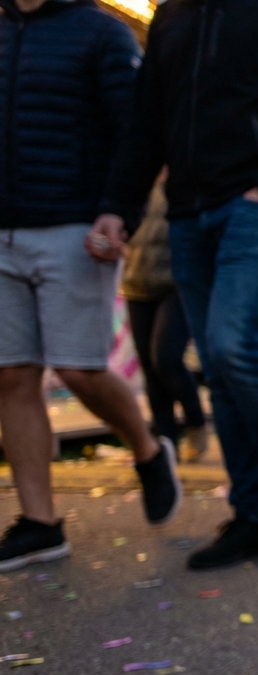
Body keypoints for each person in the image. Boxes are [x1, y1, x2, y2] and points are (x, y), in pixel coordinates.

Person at [92, 0, 258, 570]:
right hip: (189, 212)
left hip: (257, 206)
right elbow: (147, 123)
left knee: (233, 344)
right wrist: (119, 207)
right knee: (217, 361)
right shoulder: (172, 15)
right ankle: (251, 510)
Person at [0, 0, 181, 572]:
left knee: (79, 368)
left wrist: (117, 211)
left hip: (76, 226)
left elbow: (135, 131)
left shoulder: (102, 32)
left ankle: (148, 450)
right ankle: (40, 523)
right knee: (11, 374)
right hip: (2, 228)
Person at [122, 177, 209, 462]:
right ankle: (165, 444)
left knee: (166, 358)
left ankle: (196, 420)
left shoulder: (185, 179)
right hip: (136, 282)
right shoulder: (133, 183)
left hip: (175, 283)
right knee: (149, 368)